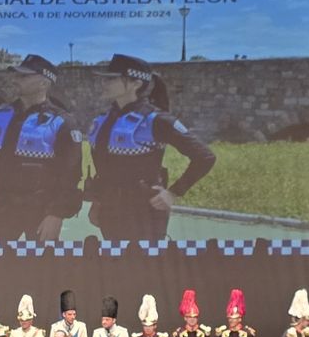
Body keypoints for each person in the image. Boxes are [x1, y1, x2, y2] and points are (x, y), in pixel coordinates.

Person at [85, 53, 216, 240]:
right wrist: (97, 202)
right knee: (116, 267)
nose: (105, 84)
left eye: (112, 79)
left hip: (145, 213)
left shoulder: (156, 120)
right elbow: (104, 168)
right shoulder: (104, 120)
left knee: (145, 268)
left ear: (136, 83)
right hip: (110, 210)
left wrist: (173, 193)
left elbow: (205, 157)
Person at [0, 54, 84, 241]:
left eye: (24, 76)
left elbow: (70, 174)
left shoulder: (61, 122)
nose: (16, 80)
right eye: (17, 75)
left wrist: (56, 214)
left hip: (40, 210)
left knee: (38, 267)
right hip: (1, 205)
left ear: (44, 83)